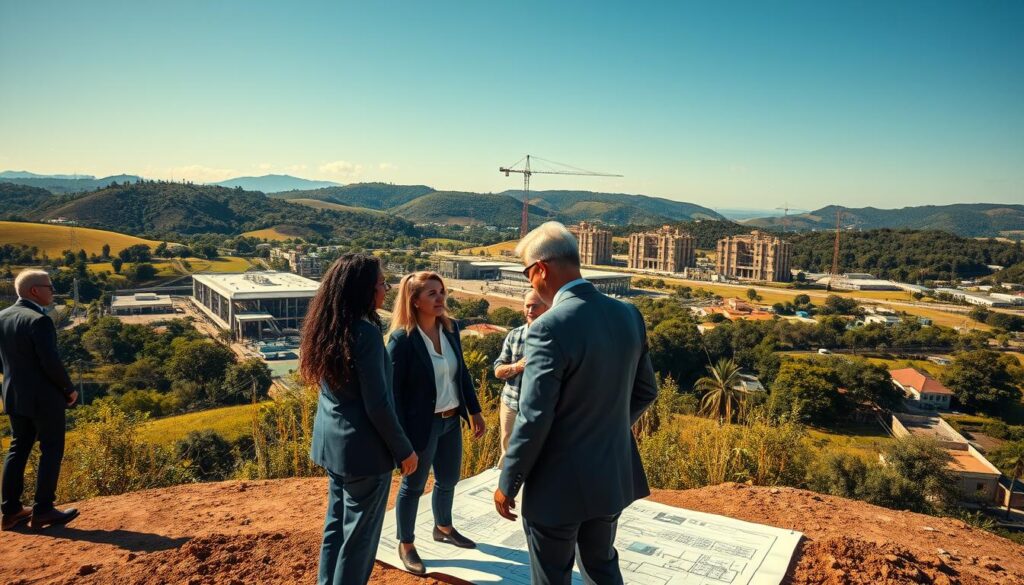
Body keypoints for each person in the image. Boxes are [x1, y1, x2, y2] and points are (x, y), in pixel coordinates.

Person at [493, 222, 658, 585]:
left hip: (558, 483)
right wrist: (606, 427)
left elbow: (534, 416)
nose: (529, 284)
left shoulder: (547, 328)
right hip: (612, 473)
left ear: (540, 269)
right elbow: (647, 391)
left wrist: (509, 480)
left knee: (552, 574)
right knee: (601, 566)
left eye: (527, 274)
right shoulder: (629, 313)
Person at [303, 254, 419, 585]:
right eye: (382, 284)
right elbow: (378, 405)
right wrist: (404, 450)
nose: (385, 290)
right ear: (365, 291)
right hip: (365, 454)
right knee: (360, 541)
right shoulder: (365, 333)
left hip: (334, 448)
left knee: (336, 528)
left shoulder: (328, 327)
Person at [386, 271, 486, 575]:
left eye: (441, 291)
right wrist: (402, 443)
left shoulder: (451, 328)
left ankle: (443, 527)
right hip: (421, 427)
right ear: (415, 301)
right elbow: (393, 396)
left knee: (448, 480)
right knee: (413, 486)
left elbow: (462, 375)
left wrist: (475, 411)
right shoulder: (401, 340)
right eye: (431, 293)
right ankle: (406, 544)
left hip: (450, 421)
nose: (440, 298)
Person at [0, 269, 79, 531]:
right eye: (50, 287)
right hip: (45, 398)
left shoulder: (3, 316)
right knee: (51, 449)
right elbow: (50, 362)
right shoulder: (39, 320)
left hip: (13, 394)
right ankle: (43, 510)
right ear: (35, 290)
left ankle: (10, 511)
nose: (53, 291)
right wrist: (68, 388)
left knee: (17, 449)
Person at [492, 290, 548, 467]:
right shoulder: (514, 335)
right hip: (511, 404)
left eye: (535, 305)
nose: (530, 310)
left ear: (548, 307)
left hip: (540, 408)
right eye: (527, 305)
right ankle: (504, 490)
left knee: (539, 455)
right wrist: (517, 367)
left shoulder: (556, 337)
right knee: (508, 452)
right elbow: (498, 370)